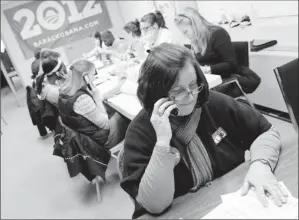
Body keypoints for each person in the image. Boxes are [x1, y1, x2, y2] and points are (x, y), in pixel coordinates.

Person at [120, 43, 285, 218]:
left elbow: (265, 131)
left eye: (193, 84)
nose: (191, 97)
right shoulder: (140, 133)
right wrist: (162, 143)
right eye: (178, 92)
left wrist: (260, 165)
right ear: (156, 95)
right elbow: (154, 205)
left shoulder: (212, 102)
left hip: (233, 203)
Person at [174, 7, 260, 97]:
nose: (185, 35)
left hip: (228, 78)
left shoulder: (218, 34)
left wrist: (207, 69)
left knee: (195, 97)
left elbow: (232, 64)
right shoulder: (196, 40)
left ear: (195, 25)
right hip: (212, 79)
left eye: (186, 31)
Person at [58, 59, 130, 149]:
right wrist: (97, 98)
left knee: (111, 110)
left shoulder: (65, 91)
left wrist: (116, 88)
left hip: (90, 138)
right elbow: (106, 125)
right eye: (93, 74)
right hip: (103, 141)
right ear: (85, 77)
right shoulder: (82, 99)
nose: (94, 77)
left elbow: (90, 107)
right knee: (124, 115)